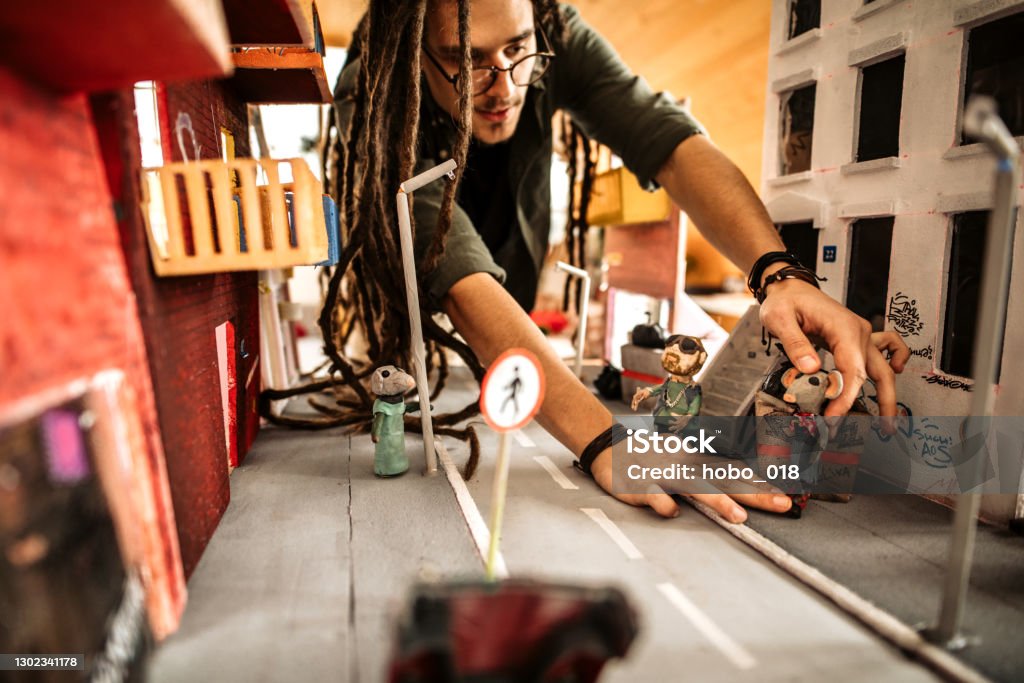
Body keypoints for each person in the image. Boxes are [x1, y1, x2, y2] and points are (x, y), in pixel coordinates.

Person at [328, 0, 910, 522]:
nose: (502, 86)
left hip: (511, 261)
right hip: (417, 278)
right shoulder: (374, 85)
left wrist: (780, 276)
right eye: (467, 59)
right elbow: (457, 271)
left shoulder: (554, 30)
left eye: (517, 49)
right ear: (416, 50)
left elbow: (670, 143)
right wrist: (607, 442)